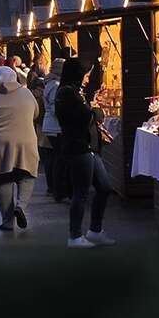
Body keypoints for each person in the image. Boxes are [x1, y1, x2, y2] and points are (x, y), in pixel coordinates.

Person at [55, 57, 117, 248]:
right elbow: (82, 117)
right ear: (78, 74)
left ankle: (95, 230)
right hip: (78, 147)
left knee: (105, 187)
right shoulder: (67, 93)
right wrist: (96, 111)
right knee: (81, 192)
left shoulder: (75, 92)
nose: (88, 79)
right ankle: (74, 236)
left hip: (89, 148)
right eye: (86, 75)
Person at [0, 65, 41, 232]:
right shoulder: (27, 93)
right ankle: (21, 207)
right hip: (26, 142)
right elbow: (36, 113)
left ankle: (8, 222)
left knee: (3, 180)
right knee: (27, 175)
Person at [40, 57, 69, 201]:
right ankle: (57, 189)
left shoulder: (50, 83)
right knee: (59, 158)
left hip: (51, 126)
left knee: (56, 157)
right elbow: (54, 107)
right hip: (55, 127)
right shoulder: (56, 85)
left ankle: (55, 188)